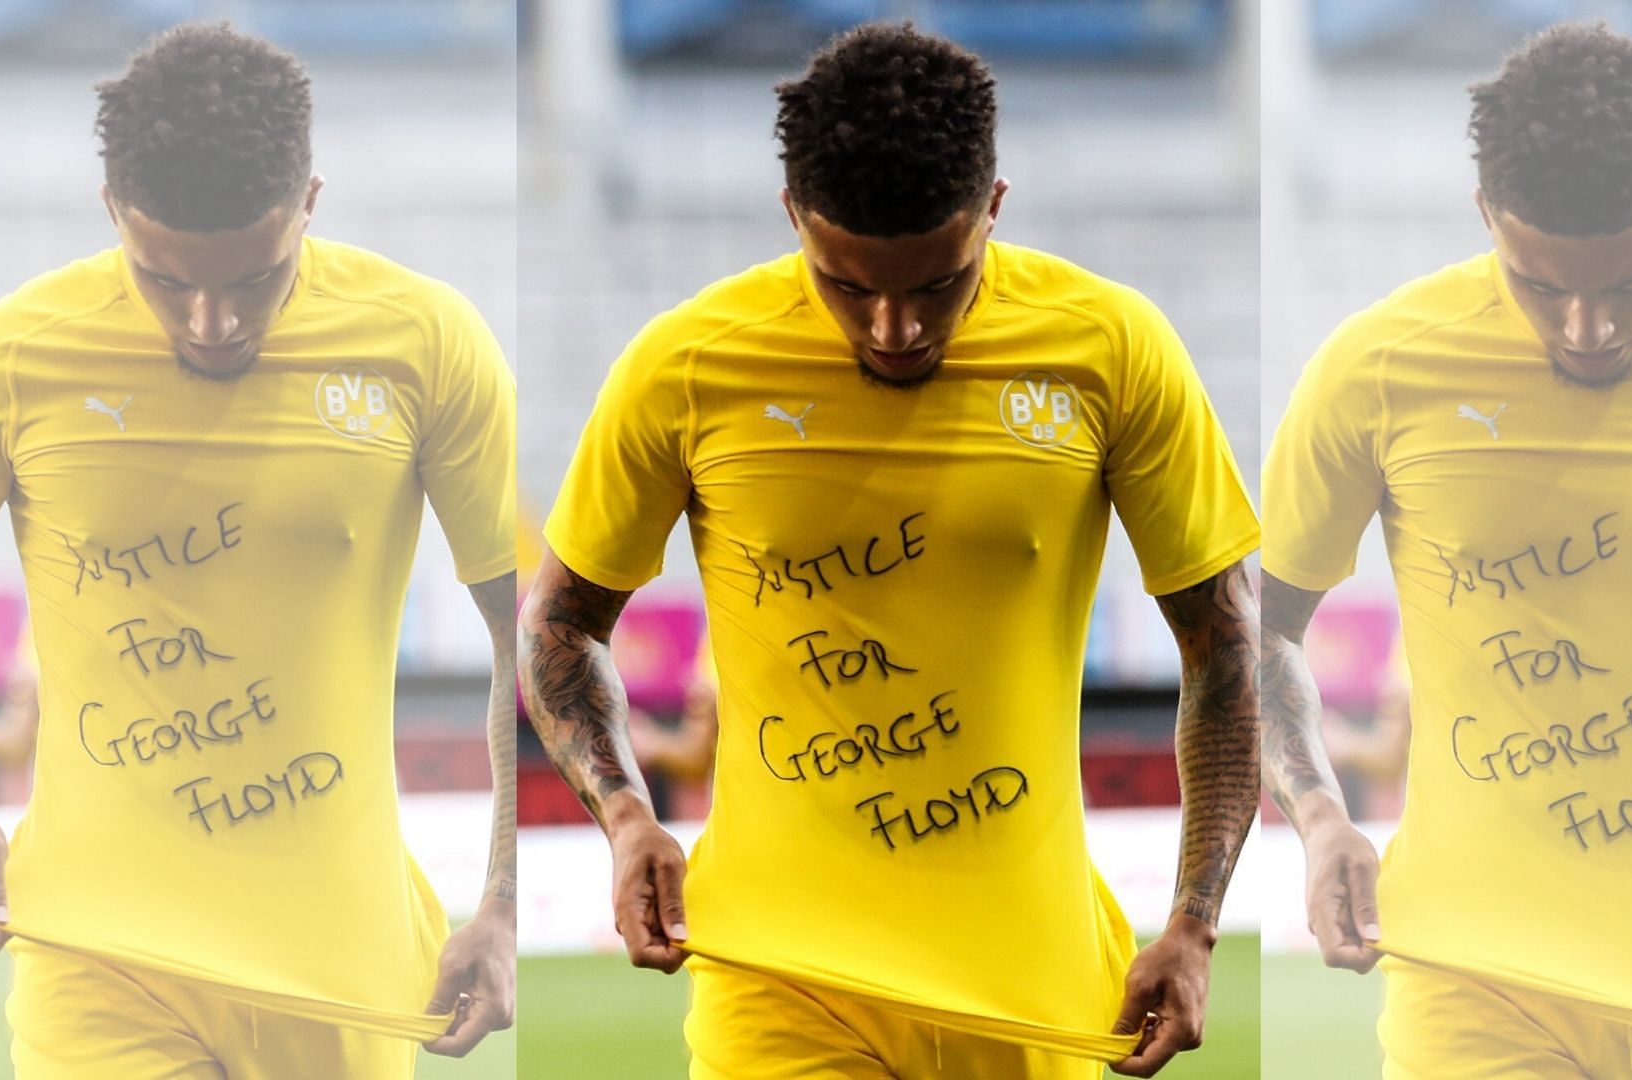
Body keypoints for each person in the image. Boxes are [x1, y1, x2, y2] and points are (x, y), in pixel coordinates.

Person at [520, 21, 1259, 1080]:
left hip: (1027, 984)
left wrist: (1194, 923)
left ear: (992, 209)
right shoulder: (686, 367)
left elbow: (1226, 649)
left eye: (935, 286)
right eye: (847, 285)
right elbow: (560, 621)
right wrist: (627, 814)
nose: (893, 329)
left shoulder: (1111, 349)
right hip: (780, 979)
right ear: (794, 220)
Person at [0, 23, 516, 1077]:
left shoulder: (426, 344)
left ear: (310, 203)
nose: (209, 322)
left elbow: (538, 635)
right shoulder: (3, 363)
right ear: (112, 213)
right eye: (165, 280)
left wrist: (502, 899)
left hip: (339, 967)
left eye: (254, 278)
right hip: (99, 958)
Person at [1261, 21, 1632, 1079]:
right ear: (1487, 216)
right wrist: (1317, 815)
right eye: (1541, 285)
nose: (1585, 329)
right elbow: (1254, 637)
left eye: (1631, 284)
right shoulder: (1376, 369)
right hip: (1473, 981)